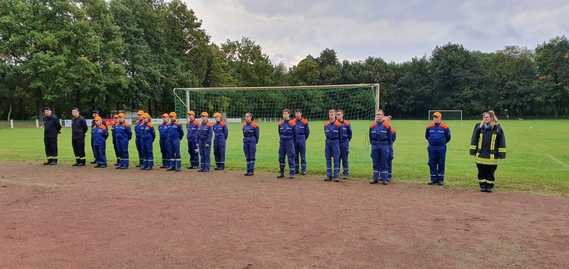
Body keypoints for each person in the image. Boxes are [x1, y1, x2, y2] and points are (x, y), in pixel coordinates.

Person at [470, 111, 506, 193]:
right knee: (481, 171)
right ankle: (482, 185)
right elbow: (474, 139)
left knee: (490, 172)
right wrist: (473, 150)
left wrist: (501, 154)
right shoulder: (479, 127)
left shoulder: (497, 128)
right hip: (480, 154)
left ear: (492, 118)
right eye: (484, 117)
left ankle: (489, 186)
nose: (485, 119)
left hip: (492, 156)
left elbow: (501, 141)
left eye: (487, 117)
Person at [369, 110, 396, 185]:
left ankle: (385, 179)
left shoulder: (387, 126)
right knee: (375, 162)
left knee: (384, 162)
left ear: (383, 116)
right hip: (375, 145)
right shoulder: (372, 126)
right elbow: (370, 137)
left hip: (384, 145)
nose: (378, 116)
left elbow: (390, 137)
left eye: (379, 115)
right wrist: (373, 144)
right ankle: (375, 178)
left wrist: (387, 145)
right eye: (377, 115)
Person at [425, 112, 451, 186]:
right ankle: (433, 179)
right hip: (432, 147)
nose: (435, 119)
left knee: (441, 163)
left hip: (441, 147)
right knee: (431, 163)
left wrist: (442, 143)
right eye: (434, 117)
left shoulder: (445, 127)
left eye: (437, 117)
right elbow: (426, 136)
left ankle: (440, 180)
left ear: (440, 118)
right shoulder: (429, 126)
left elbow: (448, 137)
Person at [277, 109, 296, 179]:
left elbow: (295, 134)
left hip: (289, 142)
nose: (284, 115)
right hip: (282, 142)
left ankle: (291, 174)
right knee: (281, 157)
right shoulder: (280, 124)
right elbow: (279, 132)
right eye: (283, 114)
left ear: (289, 114)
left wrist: (291, 141)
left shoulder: (292, 123)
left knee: (291, 157)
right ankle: (282, 173)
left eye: (286, 114)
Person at [324, 109, 341, 182]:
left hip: (335, 142)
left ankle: (336, 176)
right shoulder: (326, 124)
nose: (331, 116)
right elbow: (325, 133)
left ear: (335, 116)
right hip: (328, 142)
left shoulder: (338, 125)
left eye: (332, 114)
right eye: (329, 114)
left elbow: (341, 135)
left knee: (336, 159)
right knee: (328, 158)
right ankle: (329, 175)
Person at [336, 110, 352, 178]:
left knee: (345, 157)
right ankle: (337, 172)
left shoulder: (347, 123)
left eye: (339, 114)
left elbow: (350, 134)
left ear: (342, 115)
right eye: (337, 115)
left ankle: (346, 172)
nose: (338, 116)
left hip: (344, 142)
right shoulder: (335, 123)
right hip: (336, 142)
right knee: (337, 157)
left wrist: (346, 141)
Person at [293, 110, 310, 175]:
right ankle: (296, 170)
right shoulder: (292, 121)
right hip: (294, 140)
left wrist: (303, 139)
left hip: (302, 139)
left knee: (303, 156)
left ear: (301, 114)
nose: (297, 114)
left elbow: (307, 132)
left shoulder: (304, 122)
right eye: (296, 113)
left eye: (298, 113)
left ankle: (303, 170)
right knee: (295, 155)